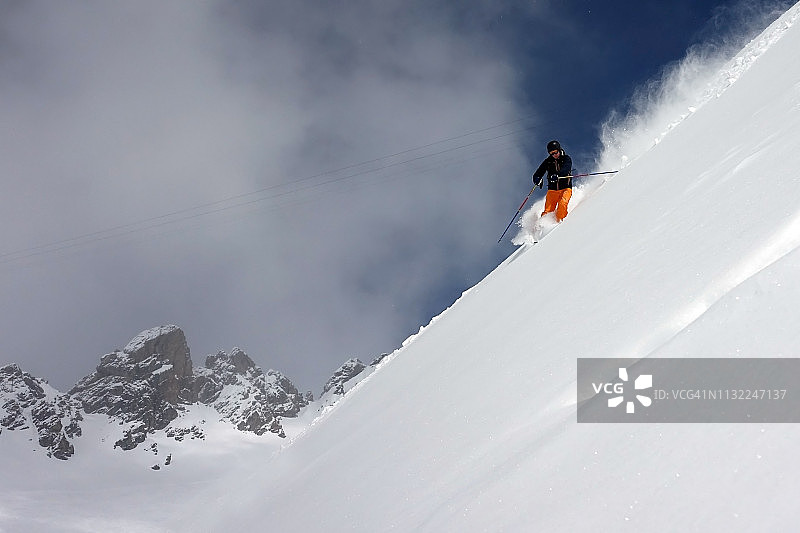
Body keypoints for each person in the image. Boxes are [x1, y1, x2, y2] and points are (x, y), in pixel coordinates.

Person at [532, 140, 573, 222]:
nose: (554, 155)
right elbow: (539, 172)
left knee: (562, 204)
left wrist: (558, 175)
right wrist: (537, 179)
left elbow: (566, 168)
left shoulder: (566, 158)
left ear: (559, 149)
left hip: (565, 188)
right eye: (551, 153)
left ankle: (560, 223)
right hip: (553, 190)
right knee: (547, 211)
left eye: (555, 152)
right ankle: (543, 227)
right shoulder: (548, 162)